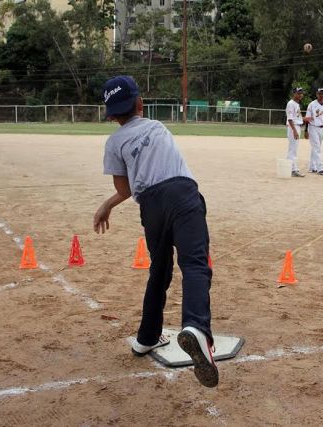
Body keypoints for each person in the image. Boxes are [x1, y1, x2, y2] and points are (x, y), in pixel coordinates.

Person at [93, 75, 218, 388]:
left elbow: (124, 189)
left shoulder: (114, 142)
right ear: (140, 104)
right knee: (194, 265)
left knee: (159, 272)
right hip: (182, 194)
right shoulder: (157, 127)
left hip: (150, 205)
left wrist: (107, 205)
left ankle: (146, 338)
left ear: (110, 115)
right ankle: (197, 328)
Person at [304, 87, 323, 175]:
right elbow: (307, 118)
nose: (321, 95)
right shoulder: (312, 104)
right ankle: (320, 168)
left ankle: (312, 167)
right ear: (316, 94)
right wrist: (306, 130)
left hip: (321, 128)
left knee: (315, 148)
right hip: (313, 127)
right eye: (319, 93)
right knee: (317, 148)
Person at [285, 87, 306, 177]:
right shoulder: (291, 103)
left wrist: (304, 119)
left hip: (296, 127)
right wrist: (294, 131)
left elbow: (296, 117)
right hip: (293, 127)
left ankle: (288, 168)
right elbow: (290, 119)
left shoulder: (296, 104)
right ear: (294, 93)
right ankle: (293, 170)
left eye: (301, 93)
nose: (300, 95)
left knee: (293, 150)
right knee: (292, 150)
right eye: (298, 93)